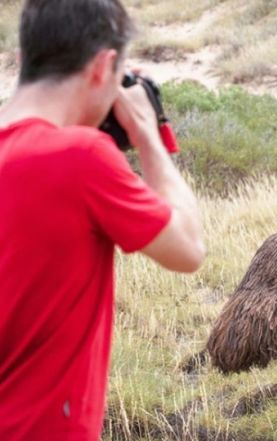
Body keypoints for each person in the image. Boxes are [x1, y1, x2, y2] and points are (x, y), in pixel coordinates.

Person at [0, 1, 205, 440]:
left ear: (24, 59)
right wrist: (147, 133)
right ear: (103, 66)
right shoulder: (79, 158)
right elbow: (188, 249)